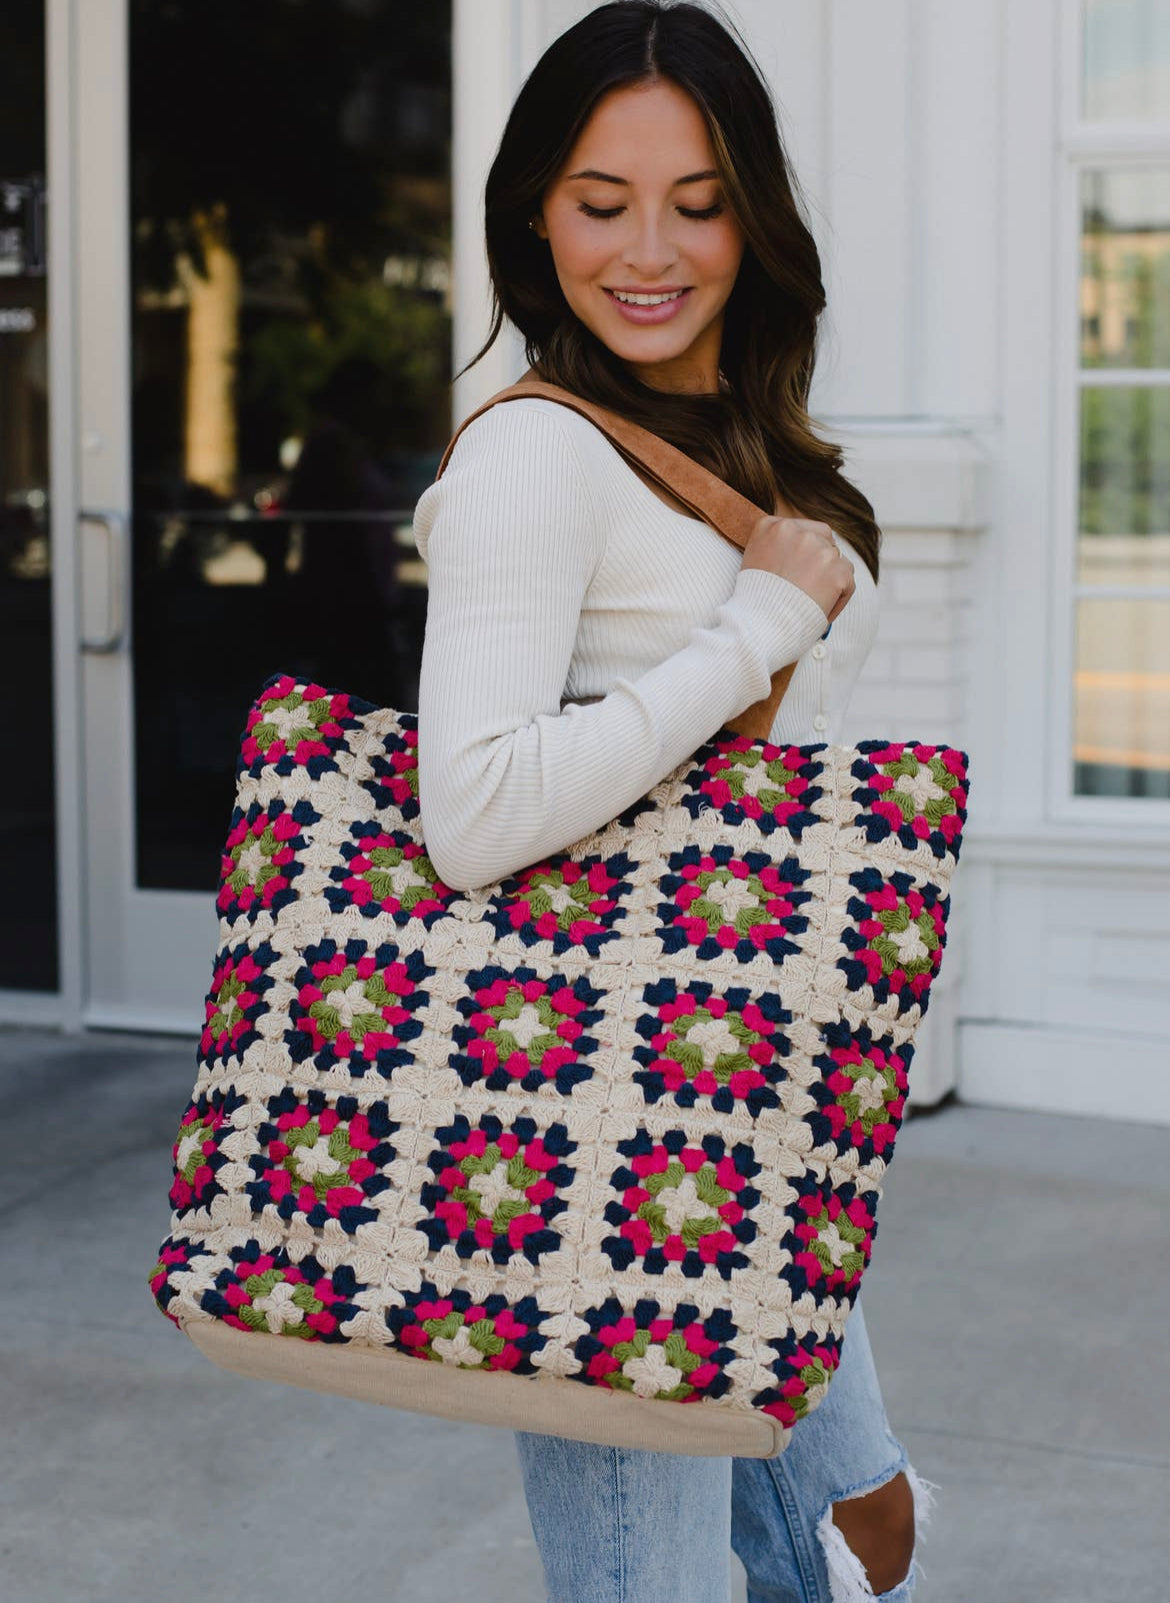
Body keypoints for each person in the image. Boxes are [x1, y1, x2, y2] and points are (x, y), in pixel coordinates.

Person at [412, 4, 934, 1599]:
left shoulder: (728, 444)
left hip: (730, 1116)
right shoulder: (537, 460)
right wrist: (758, 626)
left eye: (697, 202)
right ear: (530, 220)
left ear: (751, 216)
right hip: (592, 1127)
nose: (650, 248)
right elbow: (475, 809)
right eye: (598, 199)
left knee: (836, 1553)